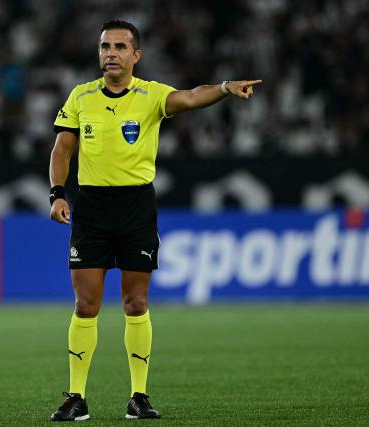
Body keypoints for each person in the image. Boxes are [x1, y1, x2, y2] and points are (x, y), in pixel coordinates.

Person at [48, 20, 261, 421]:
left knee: (136, 301)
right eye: (104, 46)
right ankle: (76, 397)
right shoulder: (80, 97)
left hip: (135, 207)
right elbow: (62, 149)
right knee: (85, 304)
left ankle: (139, 396)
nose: (110, 53)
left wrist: (223, 88)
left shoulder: (150, 95)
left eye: (119, 47)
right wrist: (58, 193)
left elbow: (190, 98)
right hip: (90, 208)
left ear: (136, 55)